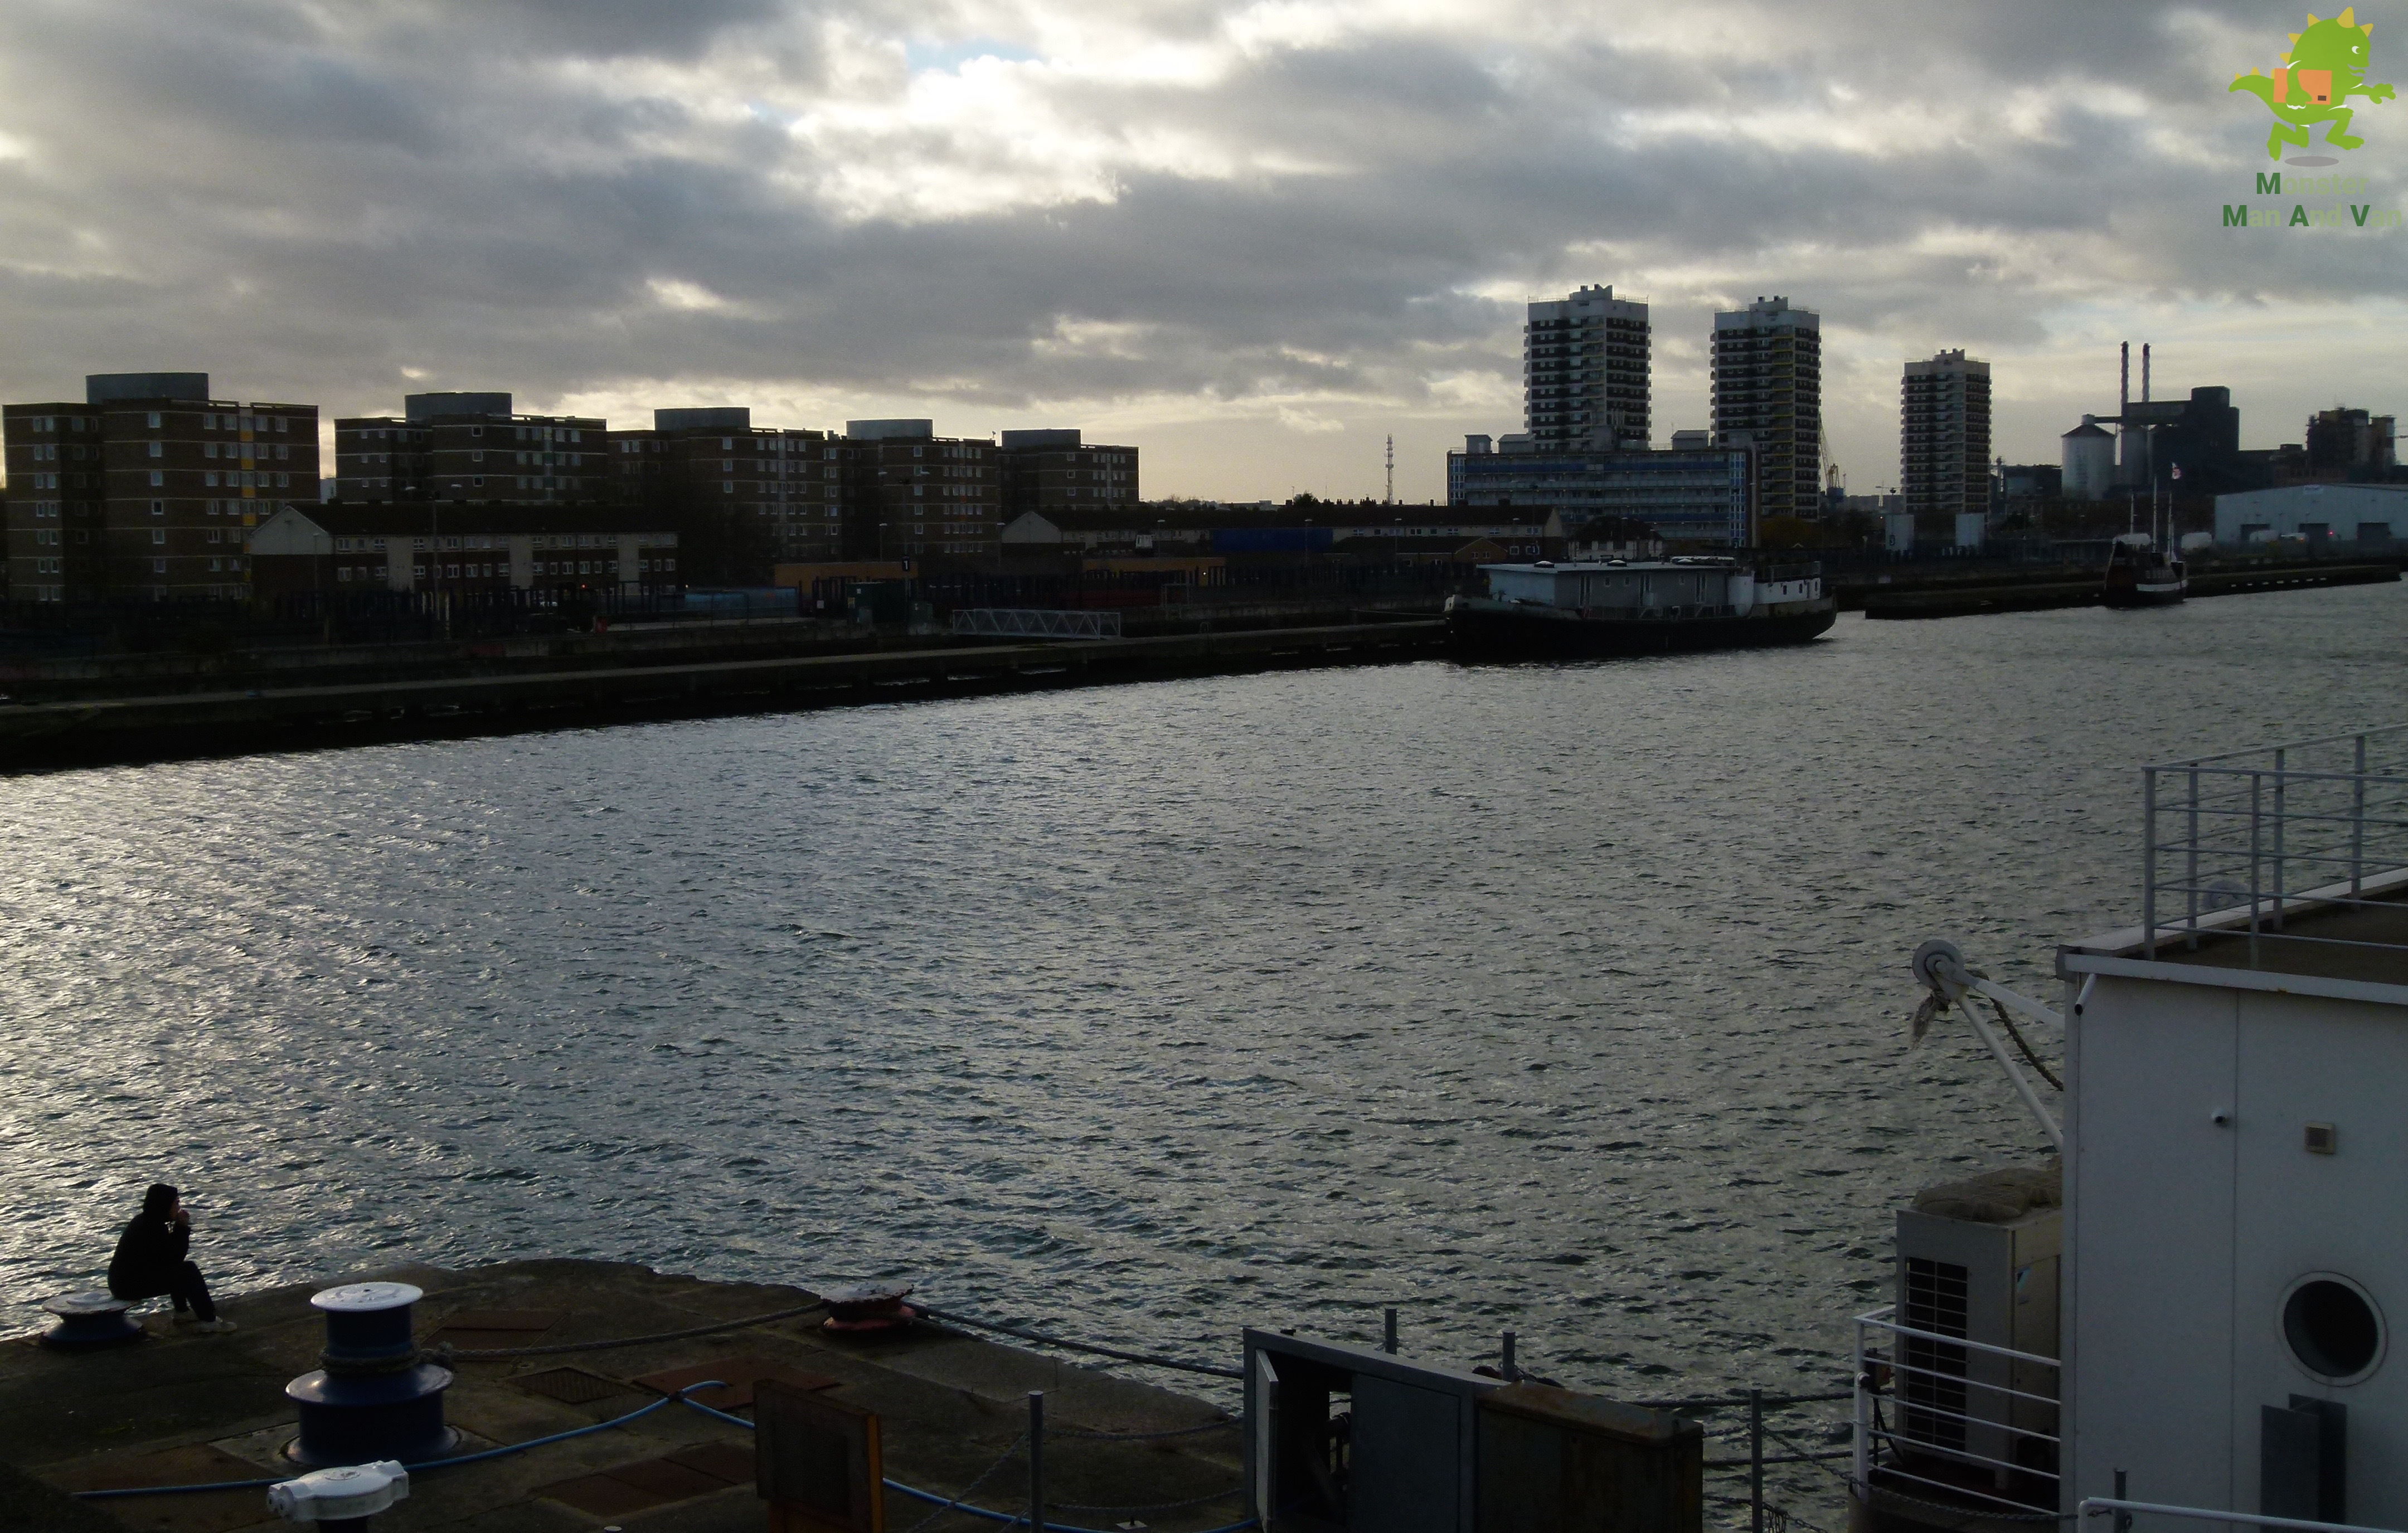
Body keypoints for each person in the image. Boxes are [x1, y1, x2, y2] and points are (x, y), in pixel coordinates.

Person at [108, 1183, 235, 1334]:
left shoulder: (148, 1221)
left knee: (179, 1270)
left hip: (126, 1281)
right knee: (187, 1270)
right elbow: (173, 1258)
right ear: (165, 1205)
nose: (179, 1207)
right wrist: (181, 1228)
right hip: (127, 1286)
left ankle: (182, 1312)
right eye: (176, 1203)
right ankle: (209, 1320)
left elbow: (168, 1258)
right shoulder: (152, 1228)